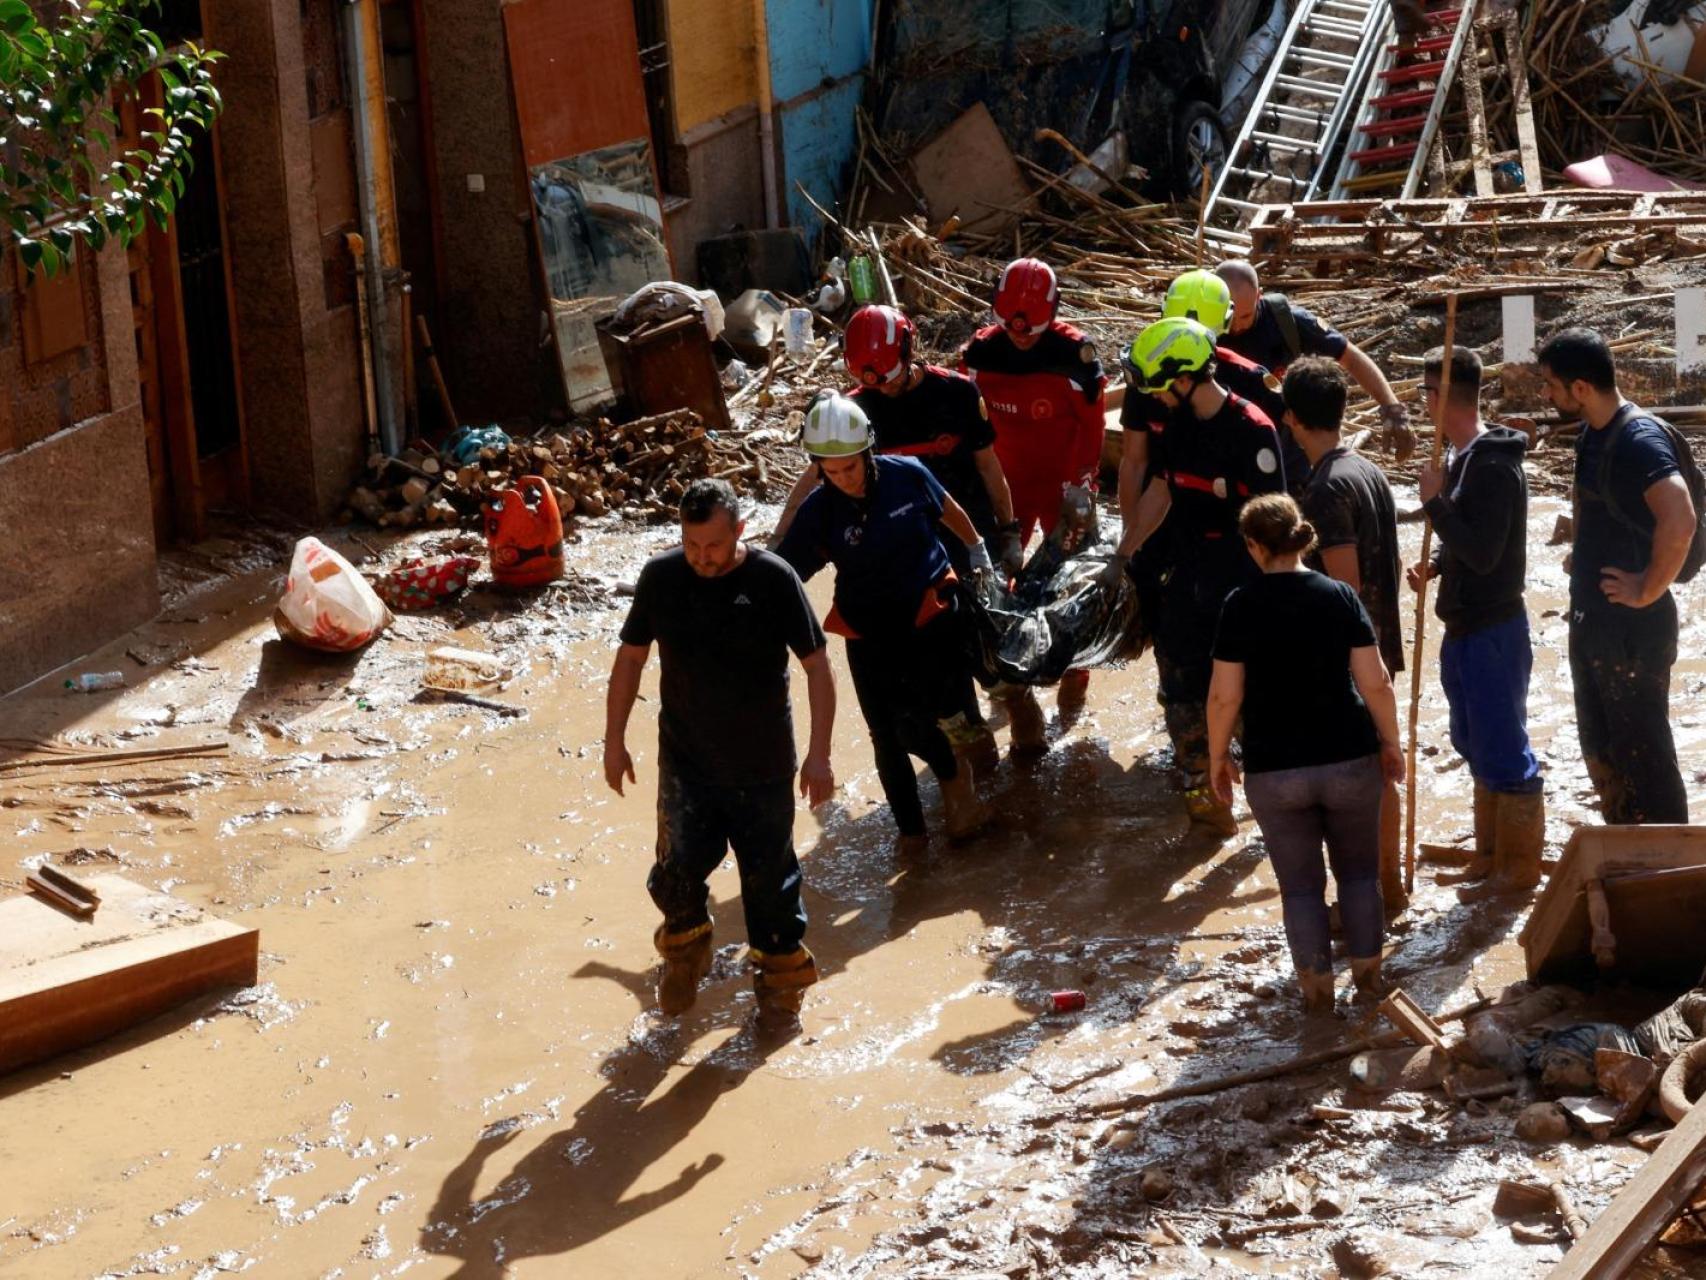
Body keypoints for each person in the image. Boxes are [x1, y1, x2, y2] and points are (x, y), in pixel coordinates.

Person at [604, 479, 836, 1023]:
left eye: (713, 546)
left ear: (739, 530)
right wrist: (613, 742)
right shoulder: (662, 577)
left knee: (770, 887)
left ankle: (780, 989)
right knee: (674, 877)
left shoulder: (772, 579)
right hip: (687, 763)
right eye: (691, 545)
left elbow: (818, 668)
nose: (701, 559)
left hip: (763, 765)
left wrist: (819, 754)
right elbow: (631, 660)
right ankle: (685, 953)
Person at [772, 304, 1019, 763]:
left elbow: (990, 468)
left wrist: (1008, 535)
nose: (880, 387)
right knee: (939, 668)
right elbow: (812, 481)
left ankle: (1021, 719)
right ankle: (970, 755)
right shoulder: (854, 411)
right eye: (870, 381)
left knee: (991, 652)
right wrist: (776, 542)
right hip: (906, 551)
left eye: (886, 376)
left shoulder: (959, 395)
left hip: (964, 536)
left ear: (910, 349)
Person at [775, 392, 995, 856]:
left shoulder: (907, 477)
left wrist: (977, 548)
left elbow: (947, 509)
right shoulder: (820, 509)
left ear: (868, 452)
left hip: (929, 613)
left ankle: (959, 783)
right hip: (867, 626)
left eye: (850, 468)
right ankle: (911, 833)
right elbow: (788, 570)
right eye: (829, 472)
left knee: (928, 720)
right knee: (884, 734)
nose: (842, 480)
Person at [1208, 494, 1406, 1011]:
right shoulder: (1339, 597)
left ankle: (1317, 995)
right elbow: (1377, 683)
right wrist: (1391, 741)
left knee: (1299, 889)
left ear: (1254, 545)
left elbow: (1225, 695)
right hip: (1348, 756)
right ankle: (1368, 981)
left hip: (1275, 769)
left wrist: (1217, 757)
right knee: (1360, 875)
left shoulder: (1238, 605)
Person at [1112, 317, 1286, 834]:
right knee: (1183, 698)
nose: (1153, 399)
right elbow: (1161, 492)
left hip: (1242, 581)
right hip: (1186, 578)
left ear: (1184, 379)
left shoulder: (1253, 431)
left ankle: (1277, 814)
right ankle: (1209, 811)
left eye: (1158, 387)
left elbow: (1275, 532)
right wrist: (1124, 553)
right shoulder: (1177, 425)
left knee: (1257, 708)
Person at [1538, 327, 1698, 825]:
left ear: (1580, 388)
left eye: (1552, 385)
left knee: (1644, 759)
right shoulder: (1594, 433)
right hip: (1599, 624)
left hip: (1633, 630)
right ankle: (1629, 863)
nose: (1547, 395)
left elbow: (1681, 517)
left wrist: (1649, 586)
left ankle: (1669, 875)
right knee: (1606, 752)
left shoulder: (1639, 439)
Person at [1408, 346, 1544, 892]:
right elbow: (1472, 543)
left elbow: (1487, 553)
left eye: (1424, 394)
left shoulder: (1491, 464)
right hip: (1466, 624)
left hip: (1493, 628)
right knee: (1472, 737)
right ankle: (1490, 856)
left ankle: (1517, 871)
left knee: (1503, 744)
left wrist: (1435, 505)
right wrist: (1438, 563)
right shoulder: (1461, 457)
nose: (1423, 404)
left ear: (1440, 398)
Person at [1283, 357, 1408, 911]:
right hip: (1380, 643)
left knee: (1361, 781)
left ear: (1291, 420)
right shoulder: (1366, 468)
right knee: (1380, 766)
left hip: (1352, 658)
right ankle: (1390, 884)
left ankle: (1374, 893)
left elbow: (1345, 586)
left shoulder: (1325, 490)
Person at [961, 258, 1107, 723]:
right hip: (1007, 489)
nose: (1021, 335)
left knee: (1074, 586)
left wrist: (1082, 486)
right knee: (993, 584)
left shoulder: (1076, 357)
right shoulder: (981, 354)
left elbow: (1093, 427)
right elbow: (970, 426)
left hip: (1065, 490)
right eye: (1010, 325)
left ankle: (1074, 684)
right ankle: (1007, 680)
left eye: (1032, 327)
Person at [1215, 259, 1415, 461]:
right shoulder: (1202, 326)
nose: (1237, 326)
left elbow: (1351, 358)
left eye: (1246, 316)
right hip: (1227, 449)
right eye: (1230, 317)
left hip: (1287, 450)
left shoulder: (1286, 321)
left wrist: (1393, 408)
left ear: (1259, 296)